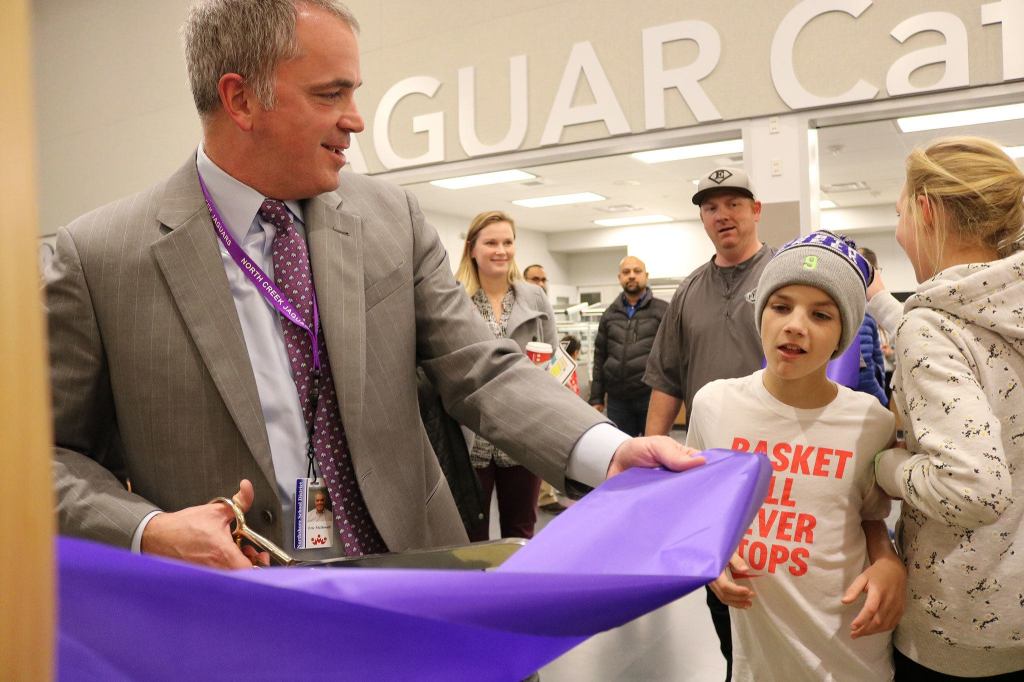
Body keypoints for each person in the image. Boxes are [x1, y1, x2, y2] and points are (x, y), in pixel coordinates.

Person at [47, 0, 704, 570]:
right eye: (330, 95)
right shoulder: (99, 258)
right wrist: (146, 530)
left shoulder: (391, 220)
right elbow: (44, 457)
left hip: (415, 579)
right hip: (236, 613)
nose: (357, 119)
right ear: (240, 99)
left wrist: (609, 451)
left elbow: (480, 367)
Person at [687, 231, 905, 681]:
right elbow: (698, 505)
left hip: (851, 648)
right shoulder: (715, 404)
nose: (795, 325)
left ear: (842, 333)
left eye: (820, 314)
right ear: (761, 313)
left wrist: (888, 560)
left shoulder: (870, 421)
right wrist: (711, 554)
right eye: (781, 306)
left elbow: (868, 516)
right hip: (759, 657)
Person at [868, 136, 1024, 679]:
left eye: (900, 211)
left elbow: (971, 487)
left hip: (962, 625)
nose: (898, 228)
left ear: (927, 209)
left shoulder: (928, 324)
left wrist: (884, 466)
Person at [643, 167, 774, 677]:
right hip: (707, 468)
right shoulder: (688, 290)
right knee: (720, 587)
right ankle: (734, 668)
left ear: (755, 210)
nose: (723, 215)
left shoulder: (780, 277)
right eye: (711, 207)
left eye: (734, 203)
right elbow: (666, 379)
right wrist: (651, 457)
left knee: (778, 580)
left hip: (777, 461)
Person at [455, 211, 559, 540]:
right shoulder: (453, 297)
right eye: (491, 243)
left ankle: (520, 592)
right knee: (471, 536)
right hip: (471, 438)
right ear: (472, 248)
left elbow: (554, 359)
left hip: (522, 435)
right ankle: (476, 593)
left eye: (507, 242)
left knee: (522, 532)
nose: (501, 250)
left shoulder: (534, 297)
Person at [589, 256, 667, 436]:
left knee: (655, 452)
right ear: (619, 278)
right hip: (618, 400)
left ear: (646, 276)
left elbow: (673, 355)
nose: (631, 276)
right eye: (626, 272)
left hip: (652, 396)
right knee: (620, 451)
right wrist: (596, 397)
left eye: (637, 271)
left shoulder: (662, 311)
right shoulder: (609, 314)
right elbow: (600, 356)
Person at [520, 261, 566, 514]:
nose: (540, 284)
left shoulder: (546, 310)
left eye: (543, 279)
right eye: (534, 279)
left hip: (548, 394)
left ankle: (545, 495)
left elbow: (554, 349)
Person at [853, 247, 888, 406]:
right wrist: (882, 401)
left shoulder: (865, 314)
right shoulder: (859, 316)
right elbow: (863, 374)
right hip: (866, 402)